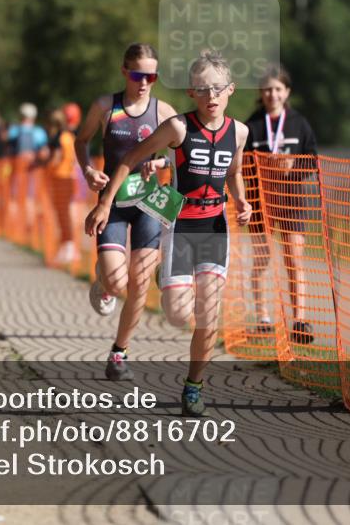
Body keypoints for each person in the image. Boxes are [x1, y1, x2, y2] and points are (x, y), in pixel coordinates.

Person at [86, 49, 252, 416]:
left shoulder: (239, 132)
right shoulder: (179, 127)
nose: (211, 96)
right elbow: (130, 159)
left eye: (218, 89)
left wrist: (241, 200)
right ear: (192, 93)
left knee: (209, 312)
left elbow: (233, 172)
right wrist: (103, 203)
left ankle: (194, 386)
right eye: (203, 89)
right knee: (178, 315)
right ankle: (168, 279)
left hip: (214, 228)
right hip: (180, 225)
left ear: (231, 91)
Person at [75, 43, 177, 380]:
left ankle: (120, 352)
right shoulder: (107, 107)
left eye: (152, 75)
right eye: (138, 74)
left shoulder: (164, 112)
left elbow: (183, 153)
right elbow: (81, 140)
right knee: (118, 282)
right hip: (113, 204)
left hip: (148, 204)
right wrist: (88, 171)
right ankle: (104, 281)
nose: (145, 82)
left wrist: (162, 161)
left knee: (139, 283)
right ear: (124, 72)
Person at [243, 64, 319, 344]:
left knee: (294, 260)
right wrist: (261, 166)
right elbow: (240, 163)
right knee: (261, 260)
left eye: (277, 89)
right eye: (267, 89)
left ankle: (299, 321)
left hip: (292, 200)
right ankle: (263, 319)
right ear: (261, 93)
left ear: (286, 92)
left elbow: (312, 159)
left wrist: (293, 164)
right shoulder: (251, 124)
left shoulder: (299, 123)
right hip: (261, 199)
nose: (272, 94)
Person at [46, 108, 78, 264]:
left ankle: (69, 247)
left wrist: (45, 164)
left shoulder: (59, 138)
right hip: (68, 178)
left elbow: (56, 159)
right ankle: (66, 246)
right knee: (64, 213)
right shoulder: (69, 136)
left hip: (60, 178)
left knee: (62, 214)